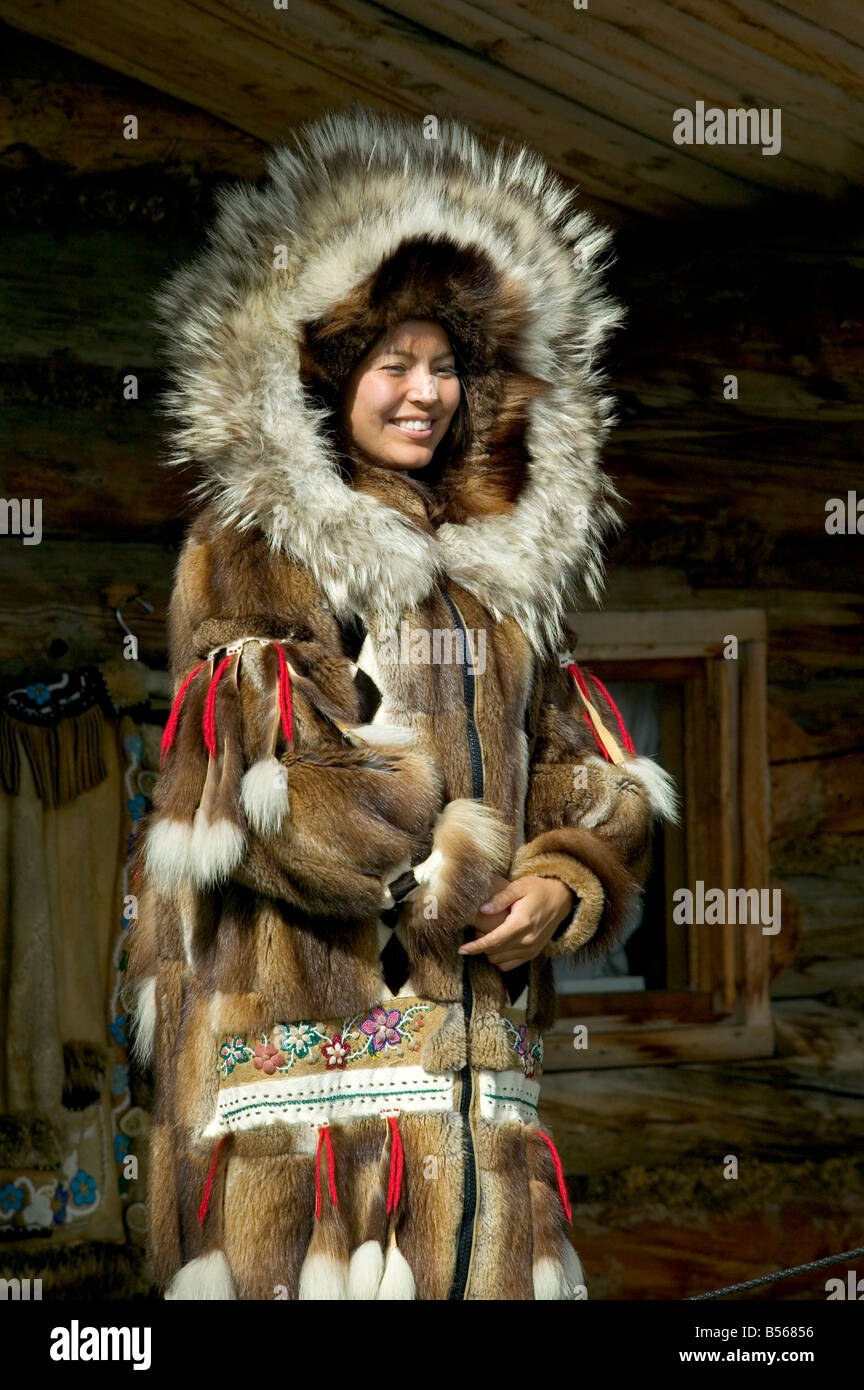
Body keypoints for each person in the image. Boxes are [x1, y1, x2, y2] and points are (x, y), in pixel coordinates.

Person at [127, 105, 677, 1301]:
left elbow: (589, 773)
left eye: (446, 367)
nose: (424, 393)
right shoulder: (254, 551)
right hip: (314, 1126)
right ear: (333, 375)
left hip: (482, 1111)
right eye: (394, 365)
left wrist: (567, 877)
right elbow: (274, 794)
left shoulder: (502, 590)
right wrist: (466, 876)